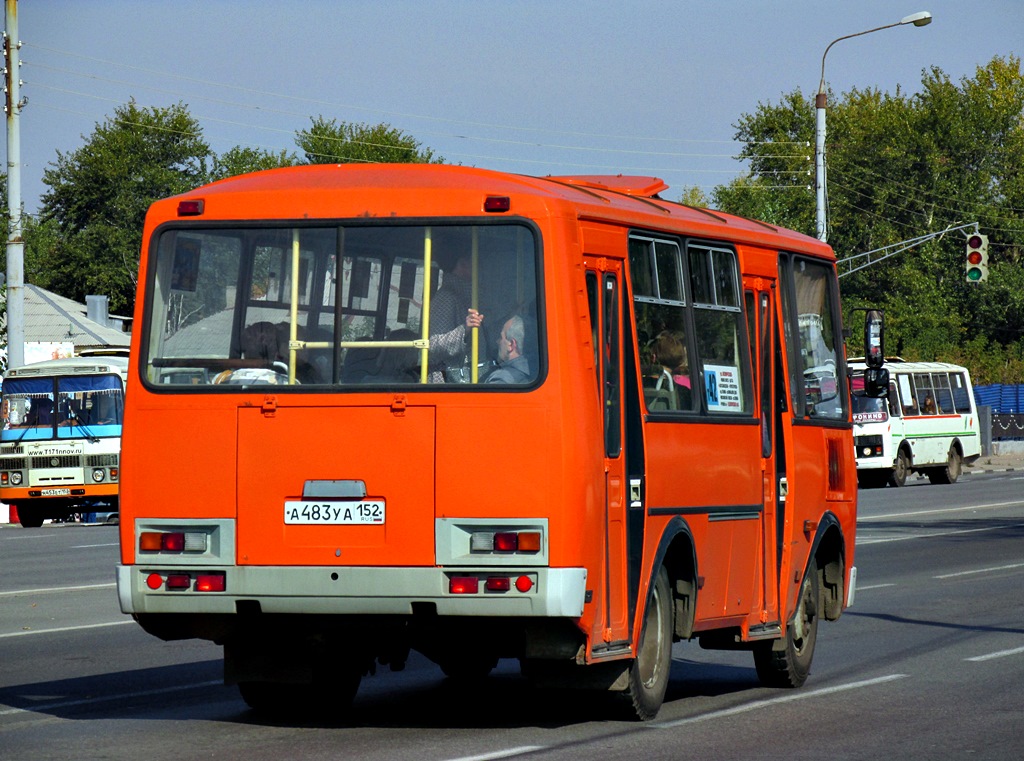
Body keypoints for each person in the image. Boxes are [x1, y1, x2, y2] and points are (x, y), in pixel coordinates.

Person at [428, 251, 484, 383]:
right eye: (475, 263)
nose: (479, 268)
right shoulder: (446, 297)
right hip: (446, 381)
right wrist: (465, 330)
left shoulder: (463, 295)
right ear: (463, 264)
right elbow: (434, 344)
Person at [486, 315, 531, 384]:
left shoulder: (502, 379)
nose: (497, 342)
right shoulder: (533, 374)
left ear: (511, 344)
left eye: (501, 337)